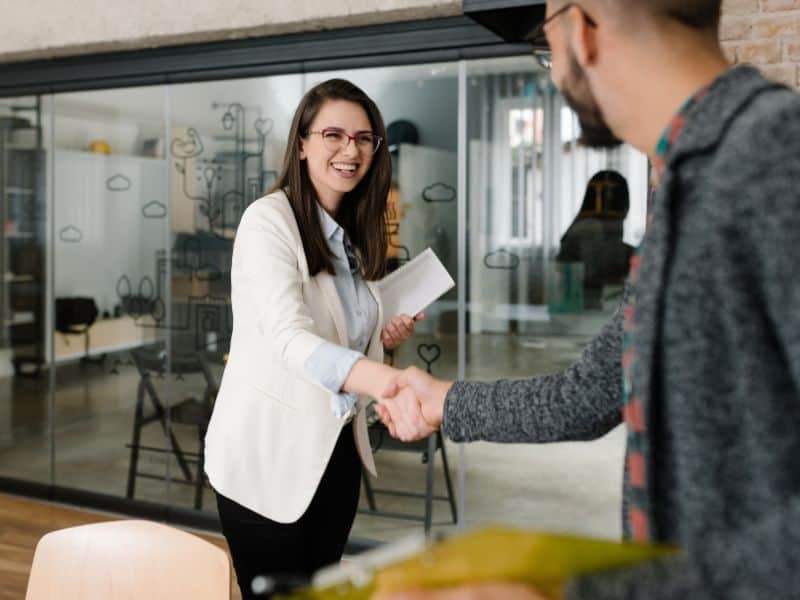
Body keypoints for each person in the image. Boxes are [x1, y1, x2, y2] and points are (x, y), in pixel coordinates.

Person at [375, 0, 800, 598]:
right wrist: (443, 399)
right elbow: (586, 397)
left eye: (547, 44)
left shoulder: (774, 157)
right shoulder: (684, 186)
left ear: (582, 29)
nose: (553, 71)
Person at [203, 79, 423, 599]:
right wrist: (390, 380)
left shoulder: (353, 234)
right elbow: (289, 337)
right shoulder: (268, 222)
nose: (351, 150)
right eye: (334, 135)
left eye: (365, 138)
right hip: (266, 460)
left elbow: (340, 334)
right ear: (301, 144)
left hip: (335, 453)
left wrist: (382, 339)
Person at [556, 169, 634, 309]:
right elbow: (596, 270)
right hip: (579, 314)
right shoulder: (590, 227)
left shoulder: (590, 226)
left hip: (589, 310)